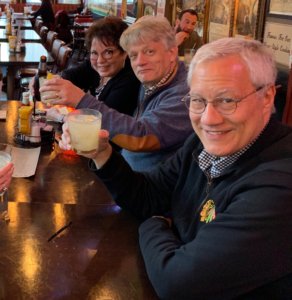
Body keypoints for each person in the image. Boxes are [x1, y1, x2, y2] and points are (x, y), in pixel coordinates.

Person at [60, 37, 292, 299]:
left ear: (267, 97)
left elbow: (179, 282)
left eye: (227, 100)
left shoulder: (281, 185)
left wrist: (154, 223)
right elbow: (147, 196)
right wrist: (103, 153)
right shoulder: (201, 145)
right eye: (198, 100)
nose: (209, 119)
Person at [41, 16, 193, 172]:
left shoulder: (186, 95)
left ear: (172, 52)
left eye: (149, 51)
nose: (140, 61)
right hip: (124, 173)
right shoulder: (151, 80)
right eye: (134, 55)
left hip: (148, 188)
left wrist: (80, 100)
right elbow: (83, 71)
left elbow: (142, 137)